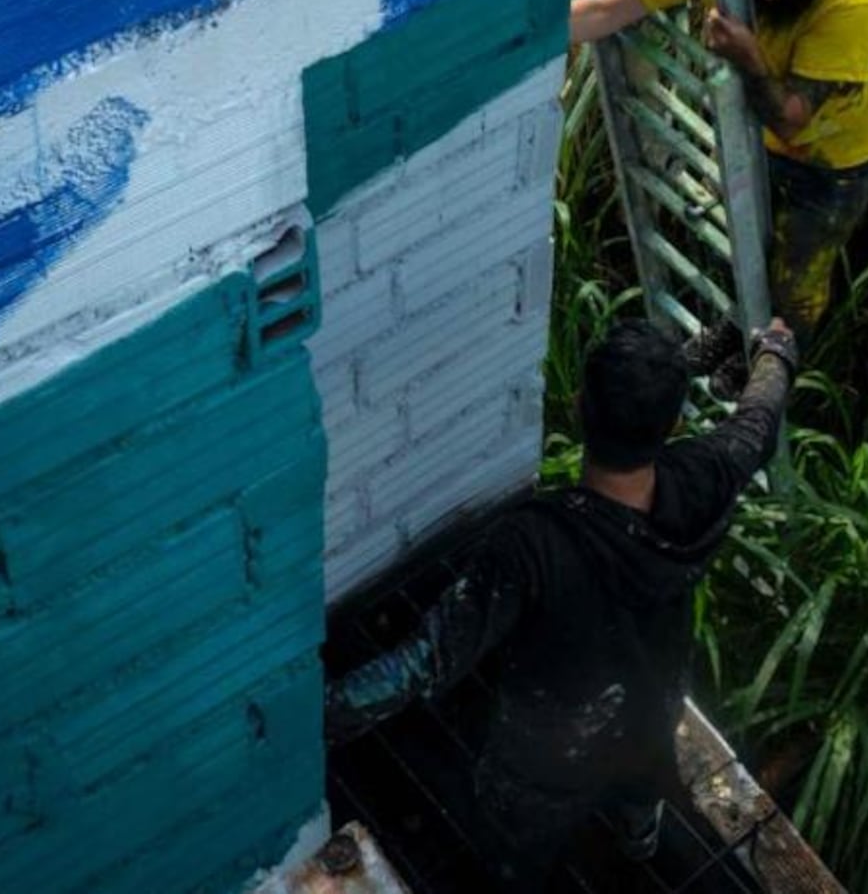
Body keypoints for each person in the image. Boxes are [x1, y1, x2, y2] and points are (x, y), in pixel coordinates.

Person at [325, 314, 797, 890]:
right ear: (672, 424)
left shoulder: (531, 546)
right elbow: (757, 423)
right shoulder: (701, 478)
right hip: (650, 712)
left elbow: (423, 663)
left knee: (519, 844)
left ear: (578, 406)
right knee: (641, 785)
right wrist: (776, 352)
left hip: (548, 753)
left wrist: (317, 717)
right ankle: (638, 839)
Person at [570, 0, 868, 345]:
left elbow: (789, 121)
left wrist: (747, 57)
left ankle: (776, 371)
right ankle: (738, 330)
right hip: (757, 134)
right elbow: (610, 10)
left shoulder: (850, 3)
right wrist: (514, 34)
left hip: (836, 160)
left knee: (797, 279)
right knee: (750, 247)